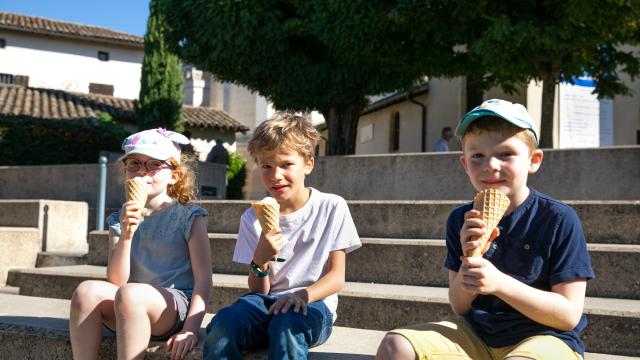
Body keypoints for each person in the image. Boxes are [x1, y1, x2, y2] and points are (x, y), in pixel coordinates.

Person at [376, 99, 595, 360]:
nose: (490, 165)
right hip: (478, 334)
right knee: (394, 346)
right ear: (465, 164)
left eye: (505, 154)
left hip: (546, 337)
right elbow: (459, 306)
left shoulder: (558, 219)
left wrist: (499, 283)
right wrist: (471, 259)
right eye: (477, 156)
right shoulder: (461, 219)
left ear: (533, 160)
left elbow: (568, 316)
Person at [203, 113, 361, 359]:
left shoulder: (331, 207)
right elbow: (259, 290)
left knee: (286, 326)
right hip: (264, 304)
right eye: (266, 165)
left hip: (312, 305)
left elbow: (336, 277)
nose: (275, 175)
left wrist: (301, 296)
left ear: (308, 163)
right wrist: (260, 259)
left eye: (286, 164)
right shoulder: (251, 218)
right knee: (223, 324)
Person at [69, 128, 212, 360]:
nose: (142, 171)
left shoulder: (189, 216)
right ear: (125, 171)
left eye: (154, 164)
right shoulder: (119, 219)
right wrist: (126, 233)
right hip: (127, 302)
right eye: (134, 163)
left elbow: (204, 279)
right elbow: (117, 280)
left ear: (174, 175)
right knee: (86, 291)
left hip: (172, 306)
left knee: (131, 294)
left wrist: (190, 329)